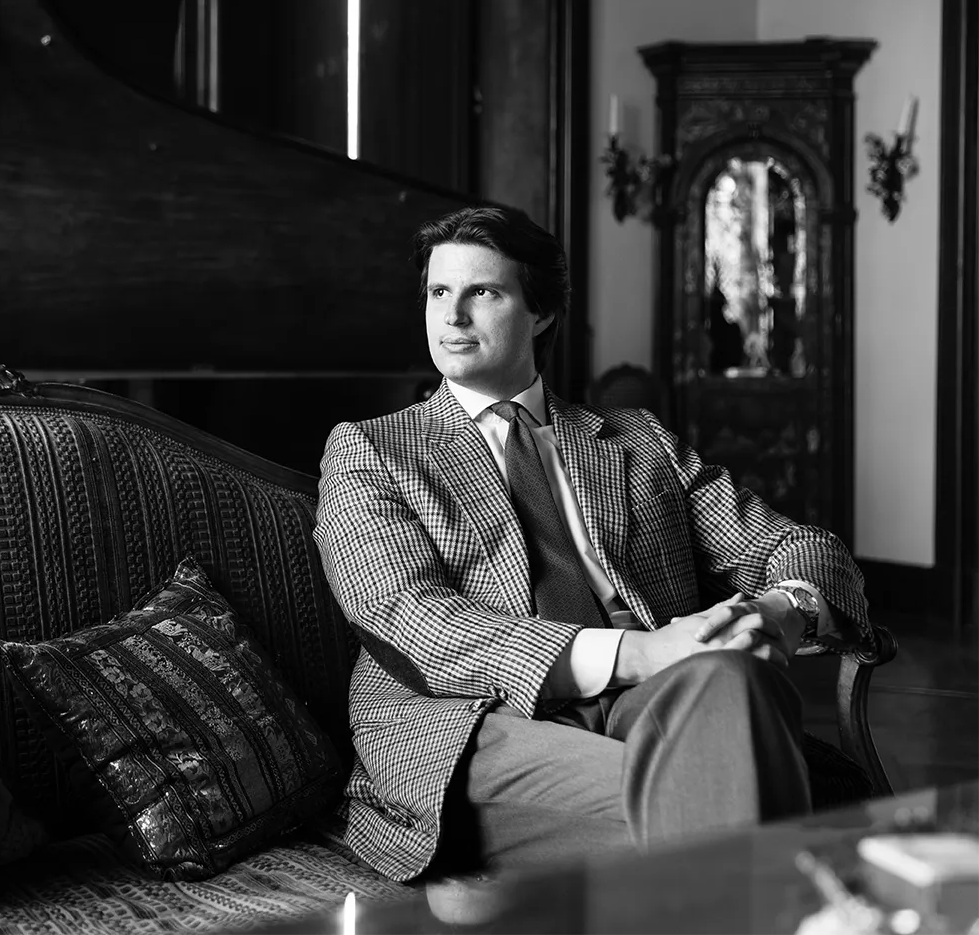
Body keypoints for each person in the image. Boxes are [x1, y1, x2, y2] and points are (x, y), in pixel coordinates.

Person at [313, 205, 869, 883]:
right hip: (471, 722)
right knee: (709, 792)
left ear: (541, 312)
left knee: (733, 677)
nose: (452, 316)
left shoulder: (637, 441)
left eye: (482, 292)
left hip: (652, 699)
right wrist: (644, 651)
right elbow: (408, 619)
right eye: (438, 292)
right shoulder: (372, 449)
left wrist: (782, 612)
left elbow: (801, 544)